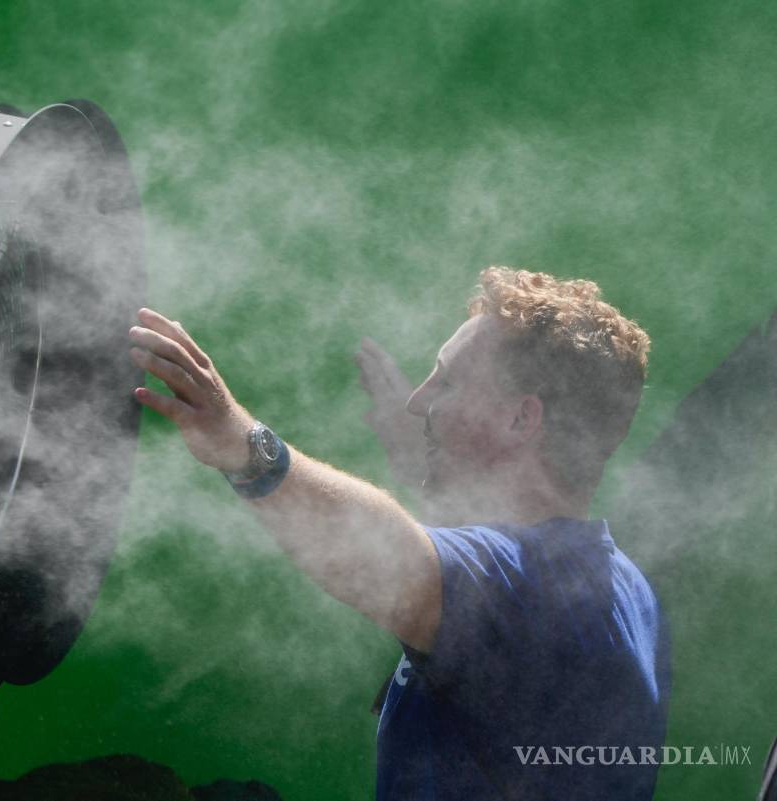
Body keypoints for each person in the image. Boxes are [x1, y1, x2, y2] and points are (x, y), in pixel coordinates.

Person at [127, 267, 670, 800]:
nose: (418, 401)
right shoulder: (616, 587)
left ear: (520, 421)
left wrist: (239, 442)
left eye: (446, 381)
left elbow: (386, 559)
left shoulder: (535, 591)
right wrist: (425, 456)